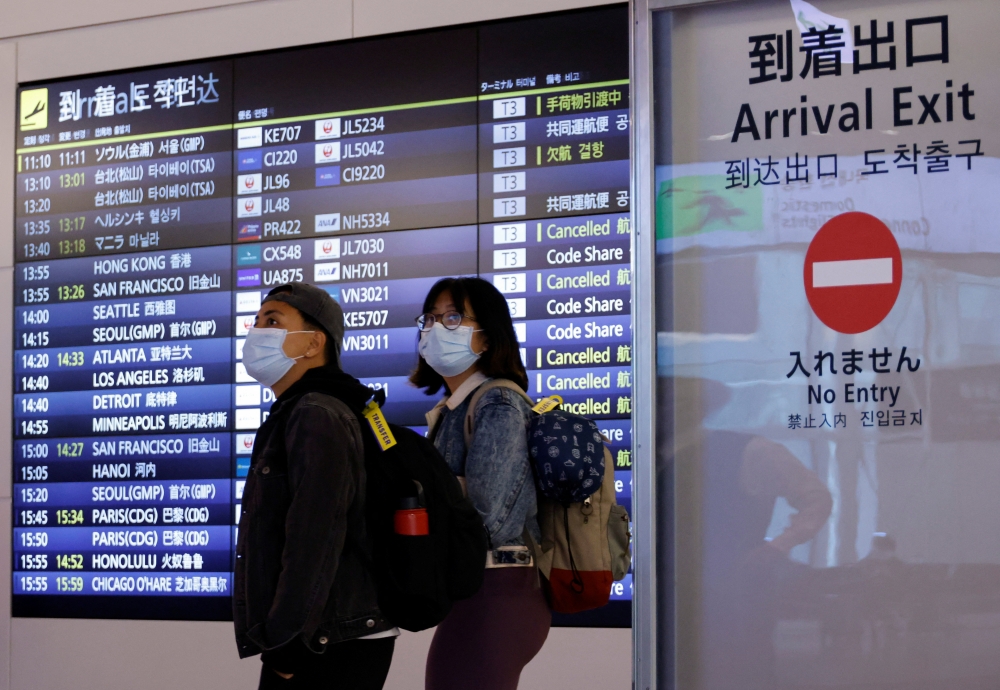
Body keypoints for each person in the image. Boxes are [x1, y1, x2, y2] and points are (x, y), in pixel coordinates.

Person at [233, 282, 398, 690]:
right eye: (256, 322)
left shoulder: (316, 413)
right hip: (326, 632)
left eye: (272, 321)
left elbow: (315, 535)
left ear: (313, 343)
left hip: (325, 639)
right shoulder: (315, 408)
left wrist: (288, 642)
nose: (257, 332)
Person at [413, 277, 550, 690]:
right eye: (431, 318)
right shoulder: (453, 410)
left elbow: (489, 516)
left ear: (487, 337)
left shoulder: (498, 401)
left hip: (498, 591)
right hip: (477, 590)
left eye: (453, 317)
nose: (437, 328)